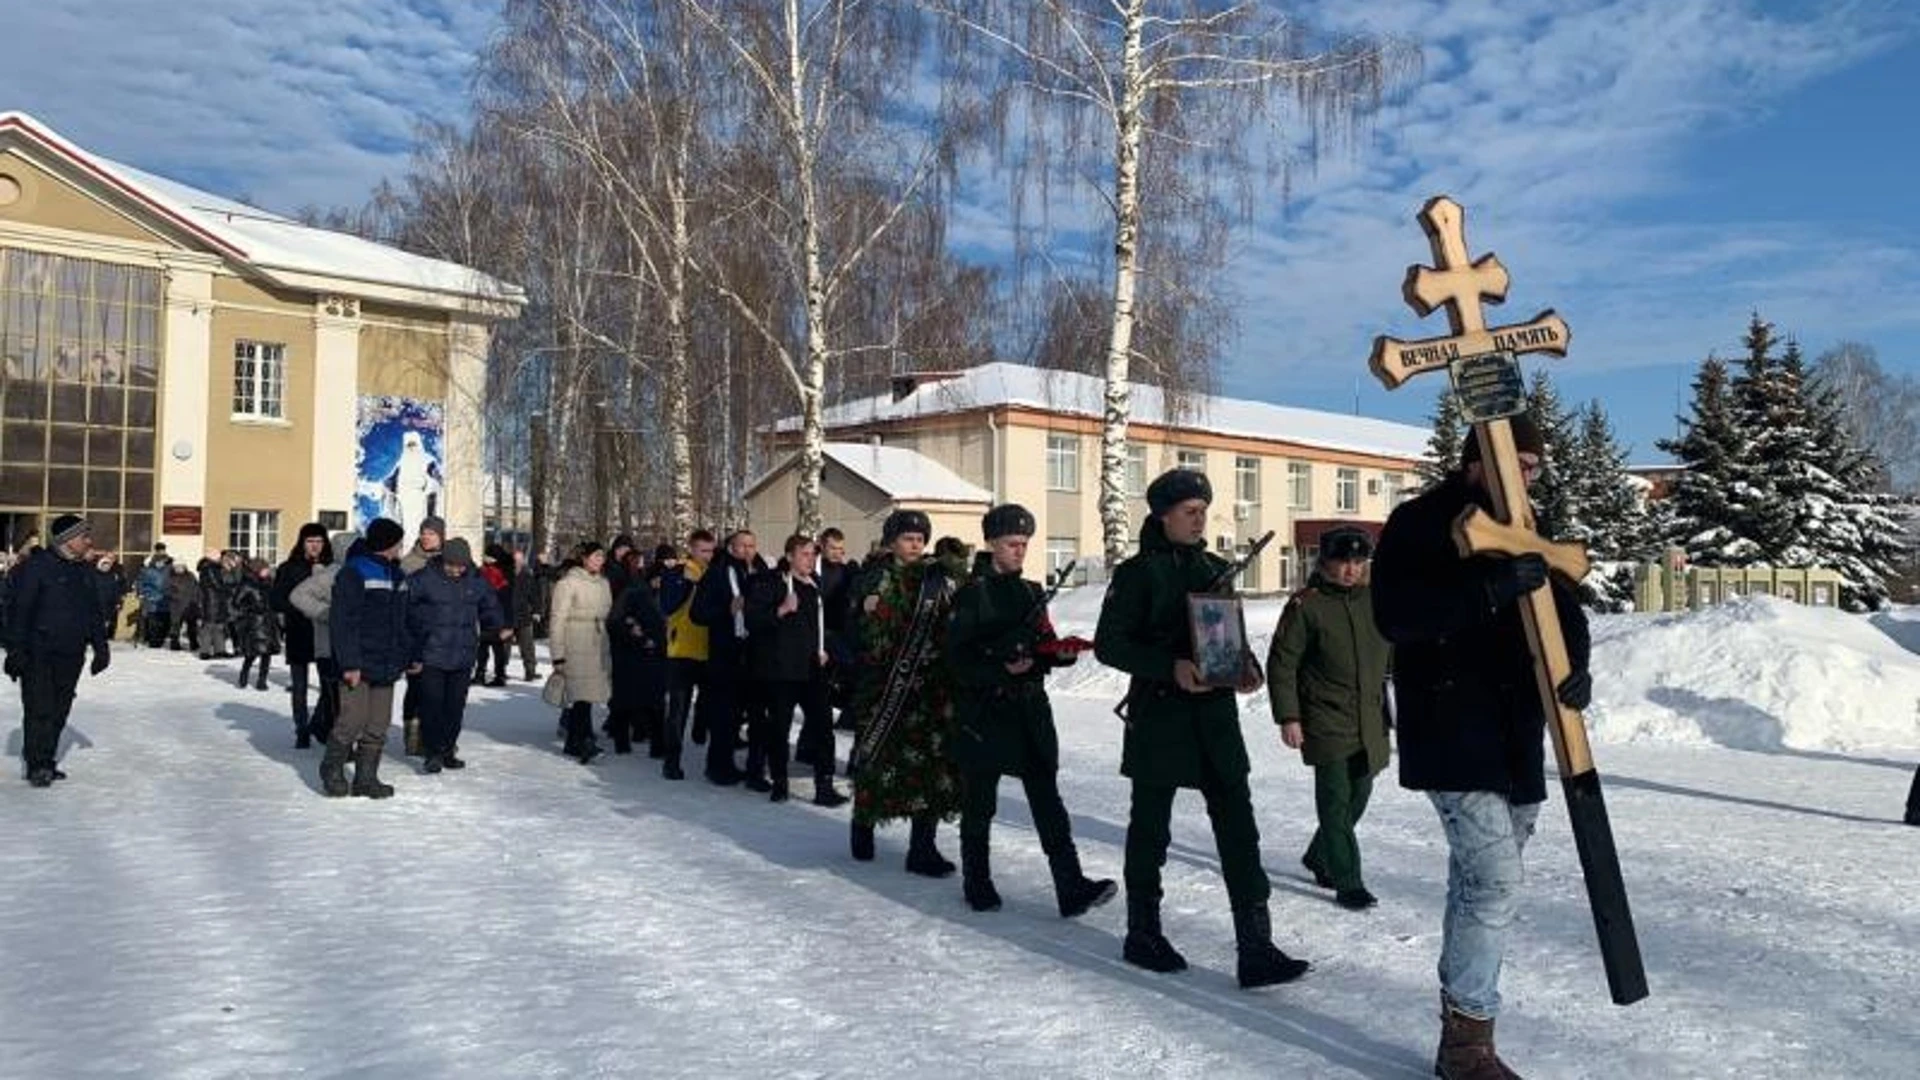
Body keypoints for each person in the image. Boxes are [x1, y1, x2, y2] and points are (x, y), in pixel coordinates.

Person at [1370, 417, 1591, 1080]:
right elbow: (1397, 615)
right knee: (1494, 879)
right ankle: (1469, 1042)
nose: (1523, 476)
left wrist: (1575, 670)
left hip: (1518, 733)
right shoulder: (1419, 523)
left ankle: (1458, 1025)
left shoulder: (1529, 528)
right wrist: (1490, 588)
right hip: (1451, 727)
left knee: (1478, 880)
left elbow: (1566, 612)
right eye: (1511, 461)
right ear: (1473, 462)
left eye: (1531, 465)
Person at [1095, 469, 1309, 989]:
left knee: (1240, 832)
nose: (1199, 520)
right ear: (1162, 515)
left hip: (1215, 723)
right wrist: (1168, 667)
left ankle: (1255, 946)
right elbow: (1109, 645)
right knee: (1150, 831)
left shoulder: (1215, 567)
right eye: (1189, 511)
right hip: (1159, 719)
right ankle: (1142, 932)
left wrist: (1246, 669)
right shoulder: (1137, 574)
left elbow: (1225, 630)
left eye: (1203, 510)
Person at [946, 504, 1113, 916]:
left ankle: (1070, 885)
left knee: (1048, 802)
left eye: (1024, 544)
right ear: (991, 544)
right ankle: (977, 881)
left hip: (1028, 714)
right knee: (979, 804)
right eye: (1011, 544)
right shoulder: (971, 594)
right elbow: (956, 660)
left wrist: (1059, 654)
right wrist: (998, 668)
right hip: (985, 714)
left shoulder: (1032, 591)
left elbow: (1042, 643)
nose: (1020, 551)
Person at [1267, 526, 1393, 912]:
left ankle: (1320, 855)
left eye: (1358, 562)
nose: (1351, 570)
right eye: (1343, 562)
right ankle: (1347, 879)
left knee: (1360, 793)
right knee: (1335, 800)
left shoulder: (1377, 601)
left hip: (1370, 718)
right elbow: (1282, 665)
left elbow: (1393, 654)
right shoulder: (1307, 606)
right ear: (1324, 563)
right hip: (1325, 717)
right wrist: (1289, 716)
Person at [847, 510, 967, 875]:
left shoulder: (935, 578)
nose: (915, 544)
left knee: (930, 767)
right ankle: (863, 824)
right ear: (891, 541)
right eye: (907, 538)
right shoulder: (876, 576)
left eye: (920, 538)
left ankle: (922, 848)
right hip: (885, 688)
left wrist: (955, 561)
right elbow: (864, 627)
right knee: (877, 758)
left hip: (929, 689)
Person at [3, 515, 110, 787]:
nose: (89, 540)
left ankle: (47, 760)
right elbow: (19, 612)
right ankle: (37, 763)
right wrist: (15, 650)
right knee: (40, 708)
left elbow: (93, 613)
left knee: (60, 709)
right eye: (83, 536)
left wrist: (101, 648)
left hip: (71, 653)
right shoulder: (37, 567)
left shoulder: (83, 571)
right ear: (66, 540)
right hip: (38, 652)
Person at [743, 533, 848, 806]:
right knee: (779, 729)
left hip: (812, 669)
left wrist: (823, 648)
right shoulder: (771, 583)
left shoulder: (815, 585)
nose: (810, 559)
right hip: (781, 671)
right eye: (804, 554)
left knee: (824, 728)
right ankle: (780, 782)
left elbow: (820, 623)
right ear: (789, 556)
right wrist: (780, 610)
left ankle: (823, 786)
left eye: (814, 554)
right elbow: (753, 621)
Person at [323, 517, 416, 799]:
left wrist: (410, 655)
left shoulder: (398, 576)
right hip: (359, 663)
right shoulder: (354, 573)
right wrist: (349, 663)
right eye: (398, 542)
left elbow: (403, 622)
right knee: (352, 720)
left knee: (378, 723)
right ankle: (332, 769)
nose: (402, 547)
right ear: (388, 544)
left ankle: (366, 778)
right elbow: (343, 622)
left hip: (387, 663)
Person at [407, 538, 509, 773]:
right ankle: (432, 752)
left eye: (460, 566)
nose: (456, 570)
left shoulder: (476, 580)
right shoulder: (424, 578)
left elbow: (490, 606)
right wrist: (414, 643)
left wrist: (500, 624)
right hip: (431, 654)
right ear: (443, 560)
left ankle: (448, 749)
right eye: (451, 565)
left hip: (462, 655)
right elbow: (407, 609)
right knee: (432, 706)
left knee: (455, 707)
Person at [691, 529, 761, 786]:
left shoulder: (755, 572)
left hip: (749, 652)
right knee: (724, 713)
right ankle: (717, 766)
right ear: (731, 547)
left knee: (739, 714)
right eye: (743, 546)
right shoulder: (718, 573)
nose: (748, 550)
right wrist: (726, 610)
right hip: (723, 653)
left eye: (752, 545)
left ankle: (731, 761)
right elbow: (697, 614)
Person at [289, 531, 360, 749]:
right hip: (328, 647)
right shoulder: (330, 575)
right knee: (334, 699)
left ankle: (327, 732)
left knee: (345, 699)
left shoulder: (358, 573)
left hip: (351, 648)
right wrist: (325, 613)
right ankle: (334, 741)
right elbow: (297, 596)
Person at [657, 530, 716, 780]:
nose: (708, 556)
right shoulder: (678, 572)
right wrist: (687, 582)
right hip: (681, 649)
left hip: (709, 650)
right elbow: (667, 605)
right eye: (703, 551)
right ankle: (672, 759)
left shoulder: (714, 572)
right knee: (678, 708)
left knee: (709, 703)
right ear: (691, 549)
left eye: (711, 551)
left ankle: (701, 729)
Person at [549, 541, 614, 764]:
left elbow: (609, 613)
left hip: (597, 644)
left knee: (588, 697)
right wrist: (558, 654)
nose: (599, 560)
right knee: (580, 696)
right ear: (584, 558)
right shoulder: (568, 583)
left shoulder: (603, 583)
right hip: (575, 644)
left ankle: (576, 741)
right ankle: (582, 740)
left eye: (602, 557)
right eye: (595, 556)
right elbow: (557, 619)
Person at [270, 524, 335, 747]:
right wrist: (300, 607)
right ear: (302, 543)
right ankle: (301, 728)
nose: (315, 546)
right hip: (299, 630)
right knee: (299, 685)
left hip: (326, 632)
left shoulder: (332, 567)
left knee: (329, 684)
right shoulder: (289, 568)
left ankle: (318, 721)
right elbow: (276, 599)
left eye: (319, 541)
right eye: (310, 541)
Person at [607, 554, 669, 756]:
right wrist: (637, 635)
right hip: (631, 654)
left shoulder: (665, 594)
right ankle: (623, 742)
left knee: (655, 702)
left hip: (655, 653)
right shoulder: (634, 592)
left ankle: (655, 745)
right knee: (628, 700)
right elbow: (616, 621)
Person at [398, 516, 446, 756]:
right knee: (416, 687)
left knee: (438, 690)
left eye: (432, 533)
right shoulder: (408, 563)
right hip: (415, 634)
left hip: (443, 636)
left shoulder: (449, 562)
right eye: (424, 533)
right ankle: (413, 735)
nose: (427, 537)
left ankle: (436, 736)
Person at [816, 526, 862, 737]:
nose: (837, 553)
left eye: (841, 549)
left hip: (840, 630)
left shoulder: (845, 571)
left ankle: (844, 716)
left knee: (851, 672)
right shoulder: (816, 569)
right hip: (820, 632)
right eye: (833, 548)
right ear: (822, 546)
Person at [230, 558, 282, 692]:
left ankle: (262, 680)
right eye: (265, 569)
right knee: (251, 653)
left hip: (269, 621)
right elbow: (236, 602)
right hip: (254, 623)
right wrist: (249, 611)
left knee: (267, 653)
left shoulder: (270, 583)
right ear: (257, 570)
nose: (268, 571)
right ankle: (244, 674)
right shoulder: (247, 585)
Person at [472, 543, 514, 688]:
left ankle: (495, 675)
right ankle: (485, 674)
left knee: (494, 649)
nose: (485, 559)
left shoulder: (500, 574)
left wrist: (509, 624)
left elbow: (508, 600)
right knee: (485, 648)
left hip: (495, 617)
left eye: (488, 557)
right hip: (488, 616)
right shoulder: (484, 572)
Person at [510, 548, 541, 682]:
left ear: (523, 560)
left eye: (520, 559)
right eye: (515, 560)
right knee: (503, 647)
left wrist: (537, 611)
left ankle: (530, 671)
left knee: (527, 646)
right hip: (508, 616)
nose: (517, 562)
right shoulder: (506, 575)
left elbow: (535, 595)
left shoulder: (528, 576)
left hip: (524, 616)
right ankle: (500, 672)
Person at [133, 549, 168, 646]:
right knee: (153, 623)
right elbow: (140, 582)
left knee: (163, 622)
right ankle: (153, 641)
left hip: (164, 600)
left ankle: (160, 639)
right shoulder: (147, 571)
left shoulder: (167, 571)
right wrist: (141, 593)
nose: (161, 563)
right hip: (151, 599)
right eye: (159, 561)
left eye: (162, 561)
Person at [93, 551, 130, 643]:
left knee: (108, 621)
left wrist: (119, 601)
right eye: (104, 565)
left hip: (110, 602)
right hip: (97, 602)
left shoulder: (114, 575)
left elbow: (117, 589)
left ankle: (107, 636)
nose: (106, 566)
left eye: (108, 565)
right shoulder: (94, 575)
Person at [166, 560, 202, 653]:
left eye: (181, 566)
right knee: (176, 625)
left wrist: (197, 600)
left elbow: (197, 588)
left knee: (192, 626)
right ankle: (174, 643)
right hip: (176, 605)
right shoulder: (170, 577)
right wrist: (175, 596)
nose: (179, 568)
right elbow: (166, 590)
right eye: (177, 567)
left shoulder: (190, 576)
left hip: (190, 604)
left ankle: (194, 643)